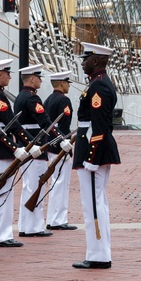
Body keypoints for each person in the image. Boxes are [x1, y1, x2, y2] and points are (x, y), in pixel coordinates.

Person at [72, 42, 119, 270]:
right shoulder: (97, 83)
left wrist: (91, 157)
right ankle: (99, 251)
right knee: (96, 201)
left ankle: (98, 255)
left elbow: (99, 127)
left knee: (92, 203)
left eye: (86, 58)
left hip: (93, 151)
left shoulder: (98, 87)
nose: (83, 62)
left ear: (97, 60)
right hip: (92, 148)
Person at [15, 64, 71, 238]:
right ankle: (34, 227)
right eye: (39, 77)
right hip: (35, 146)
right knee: (36, 186)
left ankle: (25, 225)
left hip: (27, 145)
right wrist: (62, 139)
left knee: (29, 187)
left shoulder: (21, 96)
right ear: (32, 78)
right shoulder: (32, 98)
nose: (40, 80)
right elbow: (47, 123)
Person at [0, 59, 34, 248]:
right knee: (2, 191)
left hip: (0, 147)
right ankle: (0, 235)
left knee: (3, 190)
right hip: (0, 148)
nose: (10, 77)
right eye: (7, 73)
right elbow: (10, 122)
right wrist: (23, 143)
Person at [44, 71, 77, 231]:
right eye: (67, 82)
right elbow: (62, 126)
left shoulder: (48, 100)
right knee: (61, 183)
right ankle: (58, 219)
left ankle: (54, 218)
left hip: (51, 146)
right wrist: (65, 141)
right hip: (60, 147)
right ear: (62, 83)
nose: (69, 85)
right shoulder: (64, 101)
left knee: (56, 182)